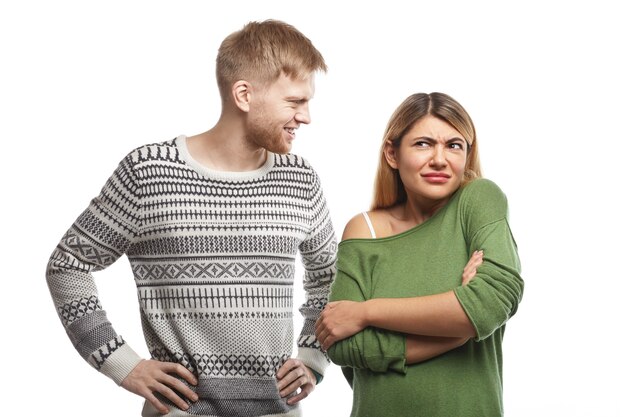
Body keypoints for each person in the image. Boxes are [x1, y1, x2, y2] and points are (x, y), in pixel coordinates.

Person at [46, 20, 337, 417]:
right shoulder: (148, 172)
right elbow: (68, 263)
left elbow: (329, 277)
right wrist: (122, 364)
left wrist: (312, 358)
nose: (305, 117)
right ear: (244, 94)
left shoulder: (300, 180)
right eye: (295, 101)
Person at [314, 92, 523, 416]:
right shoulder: (363, 229)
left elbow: (492, 302)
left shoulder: (479, 200)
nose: (440, 159)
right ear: (392, 154)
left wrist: (367, 312)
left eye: (454, 145)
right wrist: (457, 333)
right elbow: (343, 345)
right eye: (423, 143)